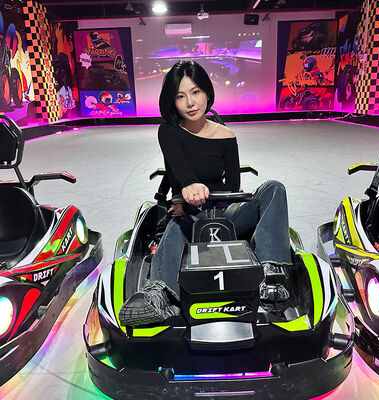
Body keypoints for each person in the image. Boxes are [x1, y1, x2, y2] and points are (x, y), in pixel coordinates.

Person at [119, 60, 292, 327]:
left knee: (274, 188)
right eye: (181, 96)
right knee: (176, 224)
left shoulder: (226, 135)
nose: (190, 102)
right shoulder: (169, 131)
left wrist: (222, 197)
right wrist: (188, 187)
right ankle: (159, 293)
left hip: (227, 213)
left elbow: (233, 186)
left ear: (207, 93)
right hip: (189, 215)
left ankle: (271, 275)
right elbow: (179, 167)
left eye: (196, 92)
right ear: (172, 101)